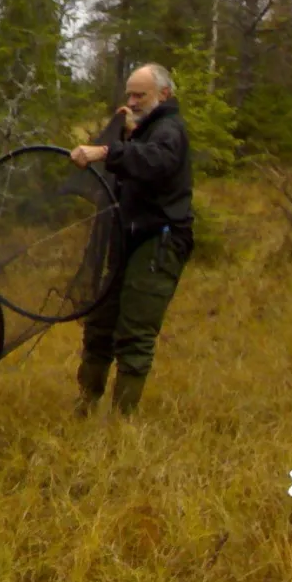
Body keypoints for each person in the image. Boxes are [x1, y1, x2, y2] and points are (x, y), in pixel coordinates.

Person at [68, 62, 194, 416]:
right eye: (130, 95)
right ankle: (85, 406)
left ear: (164, 95)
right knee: (99, 324)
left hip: (160, 242)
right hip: (127, 238)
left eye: (141, 95)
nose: (133, 101)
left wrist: (107, 151)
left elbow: (156, 161)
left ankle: (122, 423)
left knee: (134, 332)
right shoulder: (141, 129)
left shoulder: (170, 129)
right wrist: (126, 136)